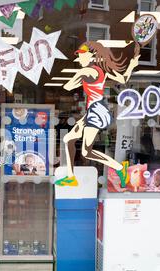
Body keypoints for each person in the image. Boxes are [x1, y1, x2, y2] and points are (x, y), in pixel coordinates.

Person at [55, 41, 140, 187]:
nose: (80, 59)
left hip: (96, 111)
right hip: (94, 110)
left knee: (86, 152)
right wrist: (132, 65)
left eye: (82, 55)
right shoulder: (102, 71)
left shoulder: (85, 72)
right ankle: (71, 177)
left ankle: (120, 167)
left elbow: (67, 86)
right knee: (69, 139)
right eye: (79, 56)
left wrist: (79, 79)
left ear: (92, 56)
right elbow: (124, 79)